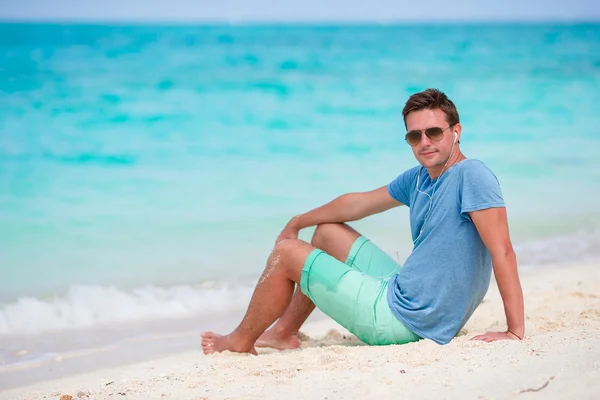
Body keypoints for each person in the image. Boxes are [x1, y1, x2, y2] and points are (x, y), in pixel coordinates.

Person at [201, 88, 525, 355]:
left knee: (286, 253)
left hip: (403, 320)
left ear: (456, 132)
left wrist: (514, 330)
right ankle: (284, 332)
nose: (424, 142)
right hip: (405, 293)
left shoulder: (472, 175)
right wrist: (298, 220)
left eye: (434, 132)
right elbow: (359, 203)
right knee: (326, 232)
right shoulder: (420, 178)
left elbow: (503, 251)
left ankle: (240, 341)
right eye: (414, 136)